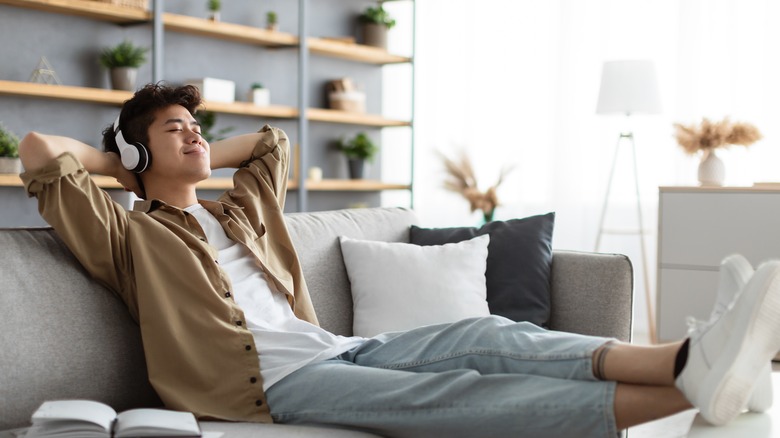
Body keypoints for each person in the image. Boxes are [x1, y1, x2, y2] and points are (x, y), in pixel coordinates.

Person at [18, 83, 780, 438]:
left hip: (337, 350)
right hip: (269, 387)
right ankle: (691, 394)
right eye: (177, 130)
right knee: (460, 392)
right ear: (138, 149)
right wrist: (119, 158)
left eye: (198, 128)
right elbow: (39, 153)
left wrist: (192, 149)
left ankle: (692, 357)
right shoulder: (131, 235)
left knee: (498, 337)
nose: (196, 139)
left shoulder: (237, 212)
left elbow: (273, 145)